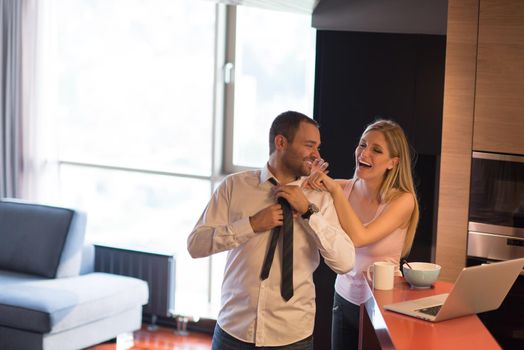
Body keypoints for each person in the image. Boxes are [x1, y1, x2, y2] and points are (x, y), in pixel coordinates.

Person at [187, 111, 355, 350]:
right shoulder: (234, 187)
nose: (316, 155)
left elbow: (345, 262)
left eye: (317, 147)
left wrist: (309, 213)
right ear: (281, 142)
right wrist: (251, 225)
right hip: (234, 330)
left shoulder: (320, 199)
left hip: (292, 336)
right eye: (309, 145)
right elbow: (196, 245)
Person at [304, 119, 419, 350]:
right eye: (362, 144)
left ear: (392, 163)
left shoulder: (403, 200)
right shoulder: (342, 189)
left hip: (382, 304)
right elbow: (296, 193)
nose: (364, 153)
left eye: (376, 150)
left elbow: (360, 237)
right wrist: (308, 176)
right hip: (343, 299)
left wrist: (334, 189)